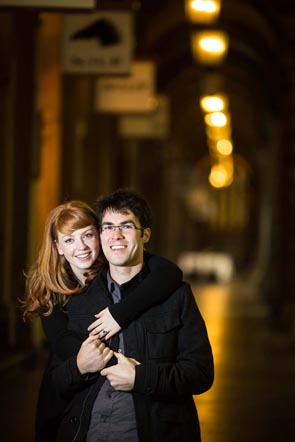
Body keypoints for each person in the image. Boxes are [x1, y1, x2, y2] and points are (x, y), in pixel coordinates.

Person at [46, 189, 214, 442]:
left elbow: (200, 374)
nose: (116, 235)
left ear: (145, 234)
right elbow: (55, 382)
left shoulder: (176, 296)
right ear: (101, 236)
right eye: (108, 227)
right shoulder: (77, 299)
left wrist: (140, 378)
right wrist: (79, 366)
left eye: (126, 226)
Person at [23, 200, 184, 441]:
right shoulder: (50, 289)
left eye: (88, 235)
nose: (82, 247)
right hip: (67, 389)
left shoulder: (113, 269)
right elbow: (63, 344)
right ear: (57, 247)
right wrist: (104, 362)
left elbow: (170, 272)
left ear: (99, 234)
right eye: (69, 240)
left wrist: (121, 313)